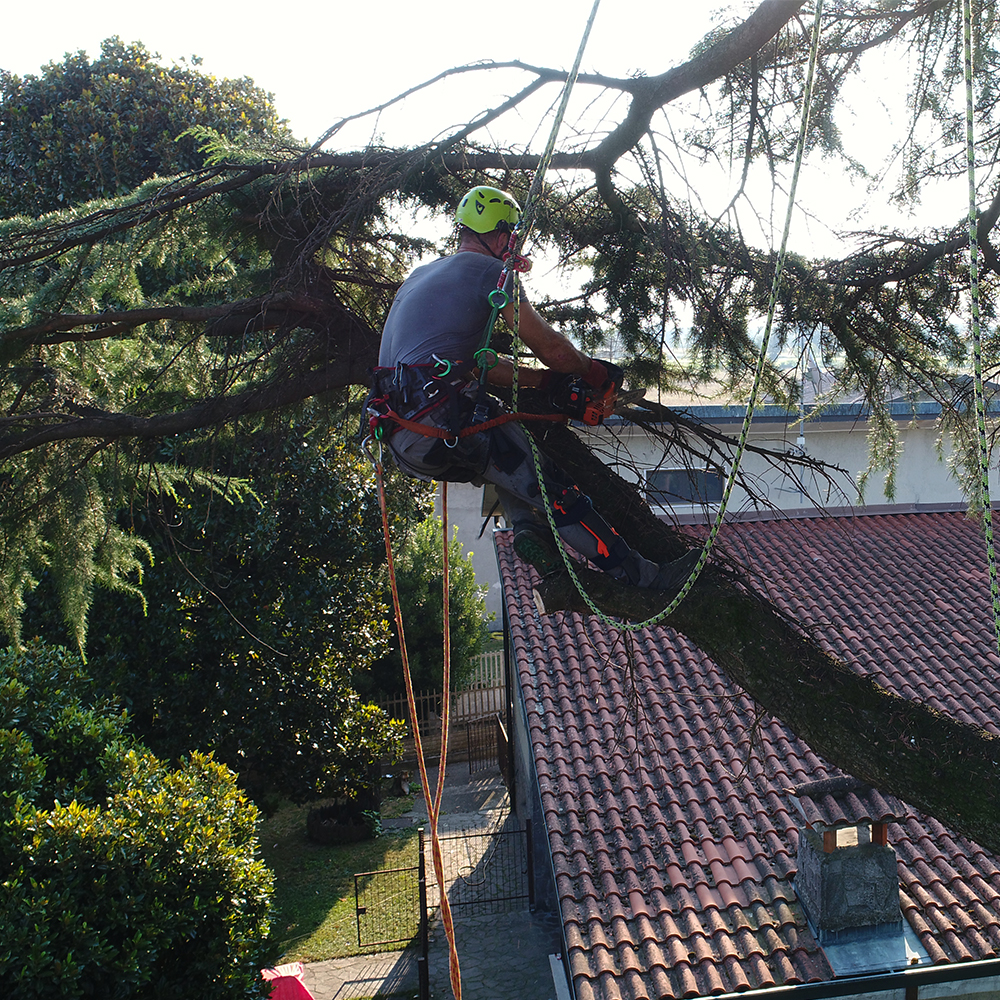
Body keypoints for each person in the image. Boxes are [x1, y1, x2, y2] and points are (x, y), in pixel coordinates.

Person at [370, 185, 698, 590]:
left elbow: (482, 368)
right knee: (552, 485)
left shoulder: (419, 276)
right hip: (440, 420)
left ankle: (529, 534)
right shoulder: (492, 273)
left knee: (504, 459)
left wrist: (546, 383)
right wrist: (595, 373)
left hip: (402, 436)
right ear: (499, 234)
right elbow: (553, 350)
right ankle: (647, 579)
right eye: (512, 237)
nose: (514, 247)